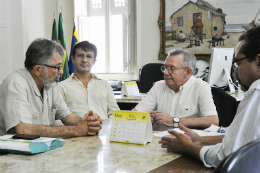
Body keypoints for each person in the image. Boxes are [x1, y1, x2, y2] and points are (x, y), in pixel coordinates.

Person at [159, 26, 260, 167]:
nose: (236, 70)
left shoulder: (256, 93)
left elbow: (225, 157)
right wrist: (200, 139)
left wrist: (187, 147)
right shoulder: (158, 86)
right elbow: (239, 140)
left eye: (238, 63)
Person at [0, 38, 102, 138]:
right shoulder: (15, 83)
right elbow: (24, 130)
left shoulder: (50, 84)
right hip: (12, 153)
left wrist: (89, 123)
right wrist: (77, 130)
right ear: (38, 69)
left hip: (42, 149)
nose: (61, 72)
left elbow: (67, 117)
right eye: (57, 67)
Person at [134, 48, 218, 129]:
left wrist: (174, 121)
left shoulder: (201, 87)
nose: (166, 73)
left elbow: (213, 121)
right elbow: (134, 114)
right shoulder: (158, 86)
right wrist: (145, 118)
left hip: (187, 140)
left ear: (187, 72)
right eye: (165, 68)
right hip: (159, 139)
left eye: (171, 69)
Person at [57, 41, 119, 125]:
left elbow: (115, 114)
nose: (84, 60)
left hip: (102, 133)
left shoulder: (104, 85)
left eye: (89, 56)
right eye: (80, 55)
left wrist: (105, 128)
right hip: (74, 134)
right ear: (72, 59)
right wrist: (73, 130)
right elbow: (57, 118)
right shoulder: (61, 86)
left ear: (94, 61)